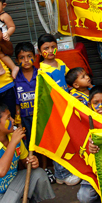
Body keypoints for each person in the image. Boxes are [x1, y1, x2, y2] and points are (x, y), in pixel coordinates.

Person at [0, 103, 55, 203]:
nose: (13, 120)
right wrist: (13, 142)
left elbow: (25, 162)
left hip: (14, 184)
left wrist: (31, 162)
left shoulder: (14, 138)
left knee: (38, 174)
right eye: (8, 118)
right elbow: (0, 171)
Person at [37, 33, 80, 186]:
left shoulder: (61, 63)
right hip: (54, 111)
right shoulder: (41, 71)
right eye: (46, 48)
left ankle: (70, 169)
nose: (50, 51)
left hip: (66, 108)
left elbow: (70, 81)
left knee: (69, 139)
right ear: (39, 51)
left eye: (53, 47)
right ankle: (61, 173)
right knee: (58, 142)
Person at [13, 42, 38, 149]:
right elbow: (16, 102)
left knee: (41, 142)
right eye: (22, 58)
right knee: (27, 142)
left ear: (35, 57)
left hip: (39, 116)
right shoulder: (15, 78)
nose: (26, 60)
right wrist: (18, 120)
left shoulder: (40, 74)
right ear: (17, 61)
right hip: (24, 118)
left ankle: (45, 166)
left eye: (29, 56)